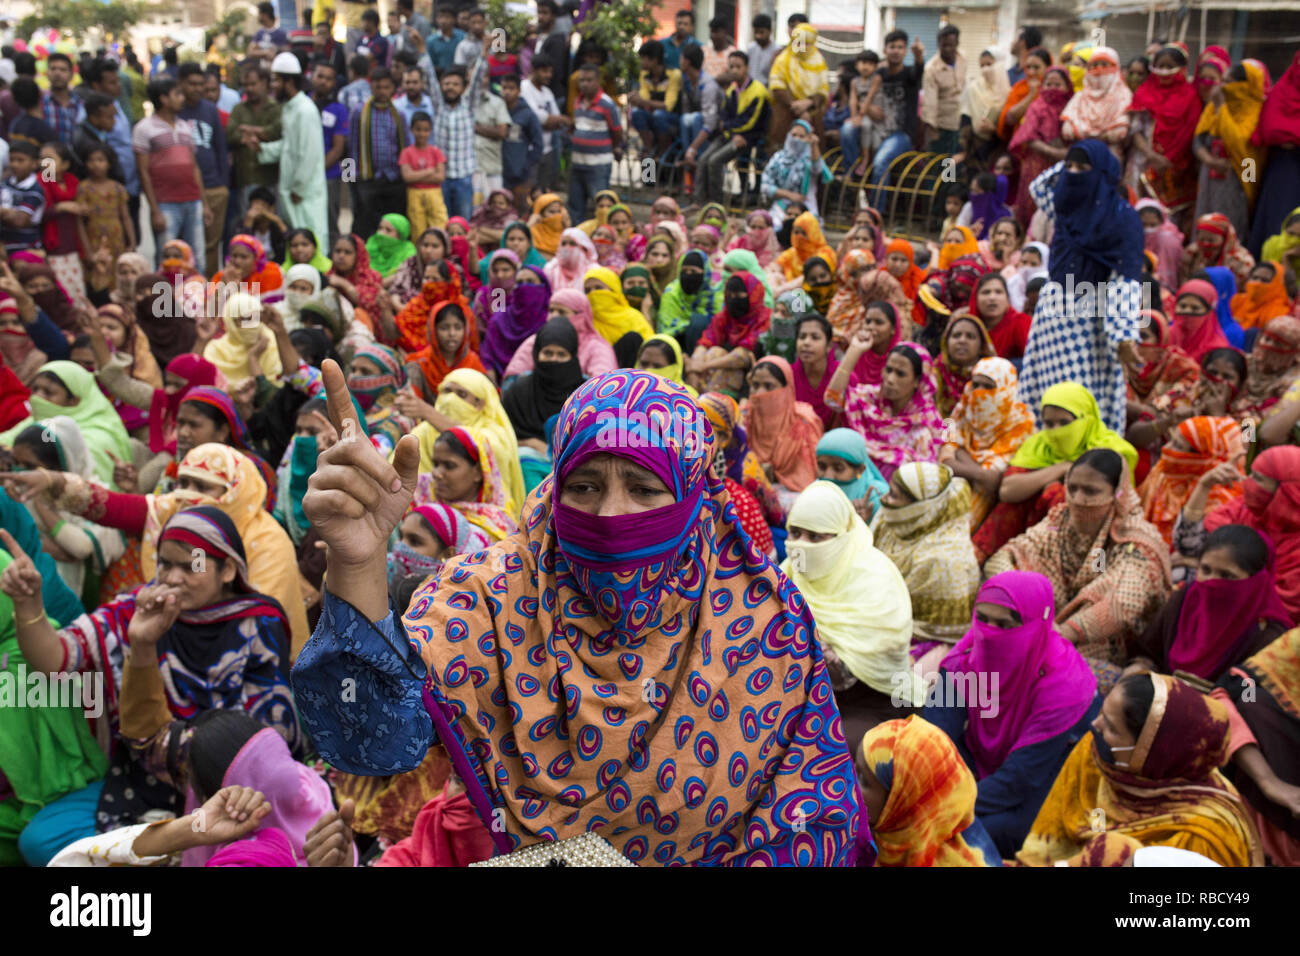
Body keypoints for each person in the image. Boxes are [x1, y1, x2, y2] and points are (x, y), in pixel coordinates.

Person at [292, 367, 861, 864]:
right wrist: (358, 564)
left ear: (692, 498)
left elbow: (813, 819)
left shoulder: (762, 619)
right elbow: (369, 739)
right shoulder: (485, 600)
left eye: (644, 488)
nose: (611, 515)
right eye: (585, 486)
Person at [0, 505, 301, 865]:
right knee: (40, 841)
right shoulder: (135, 610)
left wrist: (192, 772)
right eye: (165, 564)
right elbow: (54, 660)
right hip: (143, 780)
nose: (173, 578)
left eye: (191, 566)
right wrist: (28, 602)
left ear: (228, 570)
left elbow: (267, 739)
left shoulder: (257, 623)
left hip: (234, 788)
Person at [923, 571, 1101, 858]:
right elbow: (933, 736)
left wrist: (943, 807)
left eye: (1005, 625)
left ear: (1037, 625)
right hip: (985, 760)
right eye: (983, 619)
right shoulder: (969, 654)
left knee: (997, 830)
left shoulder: (1063, 685)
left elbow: (1019, 780)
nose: (990, 633)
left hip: (1043, 771)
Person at [1017, 672, 1261, 867]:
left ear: (1151, 752)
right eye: (1102, 714)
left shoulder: (1204, 836)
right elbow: (1056, 836)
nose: (1095, 725)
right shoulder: (1097, 757)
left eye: (1112, 728)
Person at [986, 448, 1170, 671]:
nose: (1079, 499)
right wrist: (1023, 601)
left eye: (1091, 491)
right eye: (1072, 488)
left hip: (1104, 641)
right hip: (1045, 622)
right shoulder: (1060, 519)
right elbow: (1010, 554)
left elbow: (1122, 604)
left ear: (1118, 493)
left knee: (1054, 665)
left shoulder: (1135, 540)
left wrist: (1062, 633)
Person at [1017, 141, 1143, 434]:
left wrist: (1124, 336)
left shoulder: (1122, 219)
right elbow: (1039, 186)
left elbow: (1125, 279)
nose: (1073, 175)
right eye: (1070, 168)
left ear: (1102, 174)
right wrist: (1074, 156)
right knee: (1044, 395)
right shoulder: (1065, 209)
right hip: (1052, 318)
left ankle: (1079, 469)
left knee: (1077, 400)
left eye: (1083, 168)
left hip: (1090, 323)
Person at [782, 481, 919, 750]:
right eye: (794, 533)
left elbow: (861, 665)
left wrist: (815, 648)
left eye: (815, 536)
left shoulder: (875, 579)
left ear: (843, 536)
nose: (801, 545)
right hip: (803, 697)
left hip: (869, 699)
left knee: (824, 752)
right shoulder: (787, 574)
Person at [1129, 524, 1291, 684]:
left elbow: (1252, 697)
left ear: (1256, 582)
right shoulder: (1185, 599)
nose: (1211, 582)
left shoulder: (1267, 634)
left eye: (1227, 575)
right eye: (1206, 570)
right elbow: (1148, 651)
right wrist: (1139, 668)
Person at [858, 716, 1003, 867]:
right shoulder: (888, 834)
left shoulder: (953, 861)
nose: (850, 782)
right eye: (853, 767)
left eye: (863, 781)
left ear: (901, 803)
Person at [1214, 627, 1300, 865]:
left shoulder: (1268, 627)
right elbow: (1240, 684)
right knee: (1252, 705)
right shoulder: (1291, 651)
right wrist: (1269, 782)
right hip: (1264, 811)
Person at [873, 462, 981, 645]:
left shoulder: (942, 561)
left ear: (920, 506)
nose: (885, 499)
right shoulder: (897, 521)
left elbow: (930, 632)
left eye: (894, 496)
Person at [939, 357, 1035, 531]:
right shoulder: (962, 407)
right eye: (975, 384)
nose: (978, 392)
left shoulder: (1023, 422)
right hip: (950, 483)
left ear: (1006, 388)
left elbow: (992, 481)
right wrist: (978, 473)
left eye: (988, 386)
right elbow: (945, 446)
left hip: (990, 502)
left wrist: (958, 454)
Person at [836, 343, 943, 481]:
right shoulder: (869, 397)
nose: (890, 380)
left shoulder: (928, 418)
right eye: (889, 370)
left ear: (917, 381)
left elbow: (949, 429)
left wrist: (950, 447)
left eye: (900, 374)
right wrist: (854, 350)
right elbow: (832, 399)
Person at [134, 78, 210, 266]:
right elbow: (143, 172)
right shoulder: (144, 129)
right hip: (166, 204)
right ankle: (165, 296)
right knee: (167, 257)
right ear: (164, 99)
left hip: (192, 201)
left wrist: (204, 203)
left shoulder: (185, 127)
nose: (182, 98)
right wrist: (155, 210)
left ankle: (196, 294)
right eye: (177, 94)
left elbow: (194, 168)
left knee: (197, 257)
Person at [501, 316, 584, 446]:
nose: (554, 359)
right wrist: (529, 444)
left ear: (572, 357)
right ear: (536, 353)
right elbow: (502, 436)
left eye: (561, 354)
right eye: (548, 353)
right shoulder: (518, 393)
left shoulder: (585, 394)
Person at [506, 287, 615, 380]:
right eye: (551, 310)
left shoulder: (596, 346)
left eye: (562, 312)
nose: (554, 316)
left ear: (580, 316)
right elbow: (514, 376)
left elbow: (602, 385)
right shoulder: (536, 341)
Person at [567, 64, 623, 227]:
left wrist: (615, 147)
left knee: (602, 206)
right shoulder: (578, 100)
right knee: (575, 206)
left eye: (589, 80)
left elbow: (617, 132)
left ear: (598, 81)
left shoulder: (607, 104)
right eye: (582, 80)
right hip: (578, 163)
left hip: (598, 164)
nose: (584, 84)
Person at [767, 23, 829, 148]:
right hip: (786, 110)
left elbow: (823, 91)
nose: (802, 47)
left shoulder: (819, 61)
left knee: (813, 146)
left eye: (806, 43)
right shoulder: (783, 60)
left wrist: (809, 103)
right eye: (798, 43)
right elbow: (776, 86)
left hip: (812, 112)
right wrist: (795, 106)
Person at [920, 25, 965, 154]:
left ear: (957, 43)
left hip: (959, 123)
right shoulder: (932, 69)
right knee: (938, 164)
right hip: (941, 126)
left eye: (950, 45)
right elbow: (929, 102)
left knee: (953, 164)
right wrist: (932, 128)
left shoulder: (962, 59)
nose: (946, 49)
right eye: (943, 45)